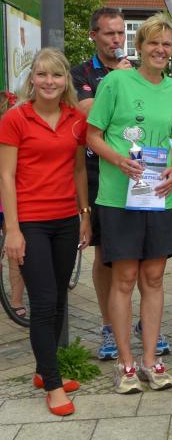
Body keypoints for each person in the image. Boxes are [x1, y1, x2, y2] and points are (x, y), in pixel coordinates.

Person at [86, 13, 172, 394]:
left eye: (166, 44)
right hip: (119, 197)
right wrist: (119, 160)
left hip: (159, 196)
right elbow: (92, 136)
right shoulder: (115, 82)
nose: (160, 50)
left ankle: (150, 361)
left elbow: (171, 141)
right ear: (139, 46)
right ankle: (125, 364)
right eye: (153, 42)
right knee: (124, 278)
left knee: (154, 278)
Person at [72, 7, 172, 360]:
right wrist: (125, 84)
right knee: (109, 258)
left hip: (149, 179)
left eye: (120, 33)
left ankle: (145, 325)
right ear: (95, 36)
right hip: (101, 175)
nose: (116, 40)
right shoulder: (85, 73)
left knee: (150, 265)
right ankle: (110, 327)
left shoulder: (166, 86)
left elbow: (169, 136)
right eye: (109, 33)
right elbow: (89, 114)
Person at [0, 48, 92, 416]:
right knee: (42, 302)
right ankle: (52, 385)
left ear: (65, 80)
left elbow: (79, 170)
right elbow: (5, 175)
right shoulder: (15, 118)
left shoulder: (75, 119)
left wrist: (84, 214)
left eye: (56, 75)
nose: (49, 81)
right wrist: (12, 230)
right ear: (32, 79)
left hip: (66, 220)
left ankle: (44, 370)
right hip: (31, 223)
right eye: (42, 74)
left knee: (58, 301)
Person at [0, 90, 26, 321]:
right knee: (13, 254)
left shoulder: (13, 129)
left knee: (14, 252)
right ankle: (16, 300)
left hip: (9, 198)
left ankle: (16, 300)